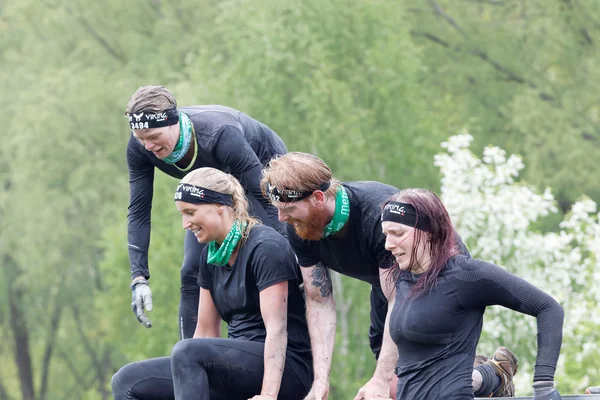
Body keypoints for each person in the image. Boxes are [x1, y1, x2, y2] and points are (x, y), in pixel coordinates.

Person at [260, 152, 516, 399]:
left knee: (408, 382)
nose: (281, 217)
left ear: (317, 197)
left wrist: (380, 381)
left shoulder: (377, 215)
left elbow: (400, 298)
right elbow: (319, 300)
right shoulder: (300, 227)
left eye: (289, 209)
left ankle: (489, 377)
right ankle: (490, 373)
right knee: (398, 379)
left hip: (439, 278)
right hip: (388, 286)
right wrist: (320, 383)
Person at [112, 167, 312, 400]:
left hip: (287, 367)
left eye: (190, 212)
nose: (185, 224)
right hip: (237, 367)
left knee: (187, 352)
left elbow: (277, 331)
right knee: (126, 380)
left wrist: (268, 394)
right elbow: (206, 333)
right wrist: (184, 371)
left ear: (219, 207)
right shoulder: (211, 256)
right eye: (182, 215)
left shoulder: (266, 247)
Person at [125, 85, 287, 339]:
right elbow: (139, 212)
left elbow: (263, 197)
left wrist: (291, 250)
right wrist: (138, 277)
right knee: (191, 269)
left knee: (262, 251)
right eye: (140, 138)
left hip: (262, 172)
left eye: (153, 136)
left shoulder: (219, 133)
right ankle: (190, 359)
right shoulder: (140, 148)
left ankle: (273, 344)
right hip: (211, 183)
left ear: (173, 122)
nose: (147, 146)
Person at [381, 188, 564, 400]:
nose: (388, 244)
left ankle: (492, 376)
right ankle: (492, 376)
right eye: (386, 234)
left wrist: (543, 386)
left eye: (398, 234)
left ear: (429, 231)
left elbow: (549, 308)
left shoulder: (466, 276)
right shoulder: (401, 279)